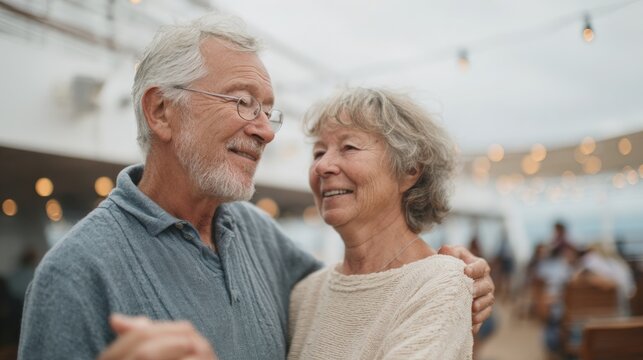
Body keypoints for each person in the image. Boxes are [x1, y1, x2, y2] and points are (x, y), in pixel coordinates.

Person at [18, 14, 494, 360]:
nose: (265, 130)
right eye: (243, 102)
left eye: (268, 111)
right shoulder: (76, 273)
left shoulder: (254, 234)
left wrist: (450, 276)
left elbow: (366, 289)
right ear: (161, 111)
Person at [288, 88, 473, 359]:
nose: (322, 166)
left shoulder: (439, 284)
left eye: (348, 147)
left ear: (409, 170)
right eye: (318, 152)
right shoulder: (305, 295)